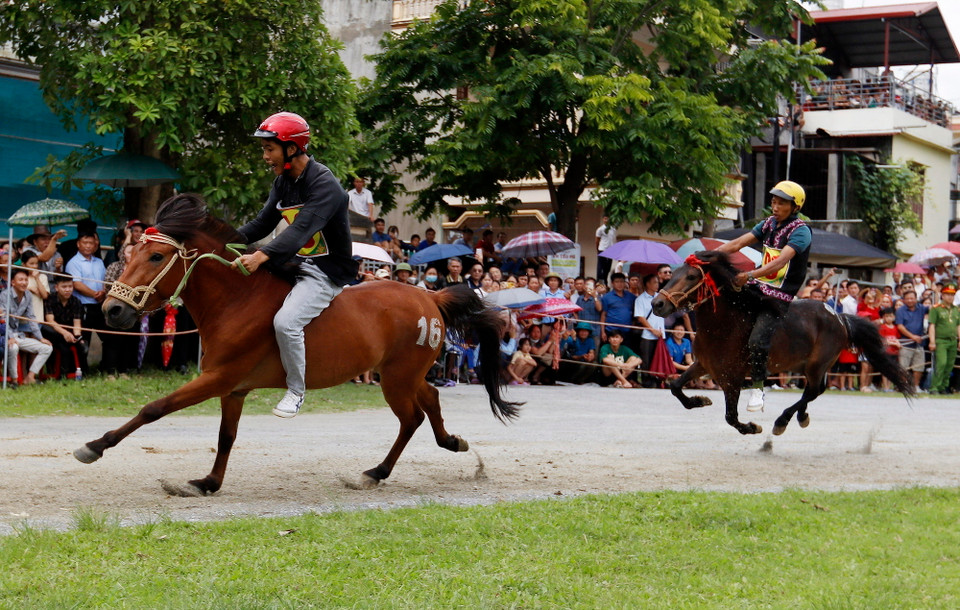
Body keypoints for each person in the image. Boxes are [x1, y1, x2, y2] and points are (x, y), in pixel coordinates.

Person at [234, 111, 358, 417]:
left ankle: (296, 391)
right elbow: (262, 224)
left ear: (291, 148)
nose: (265, 156)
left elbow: (300, 230)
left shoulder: (326, 185)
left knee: (286, 323)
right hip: (296, 266)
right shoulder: (283, 182)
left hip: (325, 274)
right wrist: (222, 241)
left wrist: (261, 255)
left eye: (269, 149)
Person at [717, 180, 812, 412]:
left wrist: (749, 275)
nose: (775, 206)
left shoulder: (801, 231)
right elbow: (739, 243)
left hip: (779, 295)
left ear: (795, 207)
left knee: (758, 340)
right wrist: (707, 255)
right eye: (774, 201)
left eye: (782, 203)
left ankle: (758, 388)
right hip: (759, 285)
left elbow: (780, 261)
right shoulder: (768, 223)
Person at [0, 268, 53, 385]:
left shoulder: (27, 295)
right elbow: (3, 319)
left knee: (47, 348)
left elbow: (31, 318)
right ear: (13, 282)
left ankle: (30, 377)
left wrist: (40, 338)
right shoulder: (4, 295)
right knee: (13, 348)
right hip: (4, 335)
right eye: (20, 280)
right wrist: (9, 337)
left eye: (25, 280)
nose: (24, 282)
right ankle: (14, 380)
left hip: (17, 335)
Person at [65, 232, 107, 348]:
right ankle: (82, 366)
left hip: (99, 305)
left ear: (95, 245)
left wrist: (103, 292)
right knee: (84, 338)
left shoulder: (99, 261)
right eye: (85, 243)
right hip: (83, 306)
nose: (88, 246)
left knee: (108, 337)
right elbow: (77, 284)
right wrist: (95, 294)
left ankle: (108, 366)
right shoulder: (73, 262)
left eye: (91, 243)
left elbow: (105, 280)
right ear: (78, 244)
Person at [42, 274, 88, 378]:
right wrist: (65, 333)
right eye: (64, 287)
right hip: (53, 331)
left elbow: (77, 325)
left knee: (81, 345)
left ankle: (82, 373)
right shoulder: (50, 299)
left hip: (69, 331)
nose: (67, 290)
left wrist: (77, 337)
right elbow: (50, 321)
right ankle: (61, 374)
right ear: (56, 287)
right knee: (63, 346)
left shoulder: (76, 301)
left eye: (70, 286)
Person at [927, 284, 960, 395]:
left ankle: (943, 386)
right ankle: (934, 387)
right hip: (941, 340)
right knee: (941, 363)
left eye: (952, 295)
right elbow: (932, 325)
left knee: (949, 365)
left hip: (953, 340)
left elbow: (958, 326)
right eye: (947, 294)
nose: (950, 297)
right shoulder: (936, 309)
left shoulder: (956, 310)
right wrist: (932, 341)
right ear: (943, 295)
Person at [633, 273, 665, 387]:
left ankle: (658, 380)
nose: (657, 285)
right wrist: (652, 330)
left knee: (659, 358)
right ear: (647, 284)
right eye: (654, 282)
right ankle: (647, 382)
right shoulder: (640, 299)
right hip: (647, 334)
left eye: (657, 282)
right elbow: (640, 317)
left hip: (661, 333)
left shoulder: (661, 297)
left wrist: (659, 331)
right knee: (646, 359)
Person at [895, 290, 928, 392]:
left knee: (919, 367)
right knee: (904, 367)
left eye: (912, 298)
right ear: (904, 299)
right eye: (907, 298)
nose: (910, 300)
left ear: (916, 298)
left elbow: (934, 307)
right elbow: (900, 326)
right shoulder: (900, 310)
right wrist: (912, 336)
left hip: (919, 343)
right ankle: (903, 386)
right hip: (905, 343)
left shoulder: (922, 308)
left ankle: (915, 386)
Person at [599, 272, 636, 346]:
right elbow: (603, 315)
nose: (620, 284)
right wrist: (603, 332)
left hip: (627, 331)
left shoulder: (631, 297)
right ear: (612, 283)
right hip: (611, 330)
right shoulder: (606, 297)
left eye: (622, 281)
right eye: (617, 282)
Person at [878, 307, 901, 391]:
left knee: (892, 370)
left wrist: (898, 344)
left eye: (890, 316)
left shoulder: (895, 328)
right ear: (883, 317)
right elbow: (883, 340)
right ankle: (885, 387)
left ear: (894, 317)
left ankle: (889, 385)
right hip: (886, 351)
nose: (889, 318)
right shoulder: (882, 327)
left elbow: (897, 338)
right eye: (886, 316)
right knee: (885, 369)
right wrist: (894, 343)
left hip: (894, 352)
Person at [595, 214, 617, 284]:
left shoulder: (613, 228)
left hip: (610, 250)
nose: (606, 220)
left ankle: (605, 280)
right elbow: (597, 240)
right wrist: (598, 249)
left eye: (607, 218)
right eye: (605, 218)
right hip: (602, 249)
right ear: (603, 219)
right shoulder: (600, 229)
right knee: (601, 266)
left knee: (608, 267)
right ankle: (599, 280)